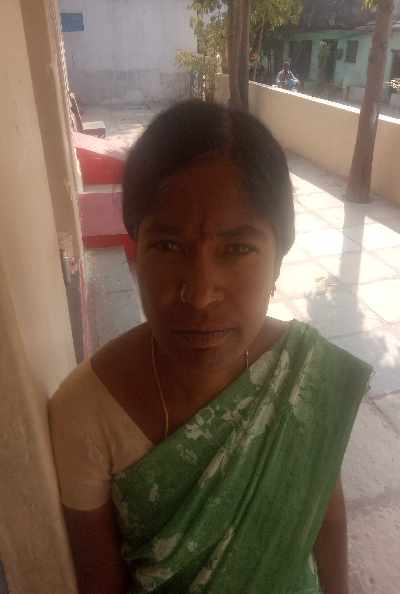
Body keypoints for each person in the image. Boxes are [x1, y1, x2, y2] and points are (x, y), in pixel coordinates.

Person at [49, 100, 372, 594]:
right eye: (168, 246)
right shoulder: (85, 413)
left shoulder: (305, 375)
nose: (199, 295)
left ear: (278, 259)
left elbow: (325, 520)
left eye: (237, 248)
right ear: (135, 255)